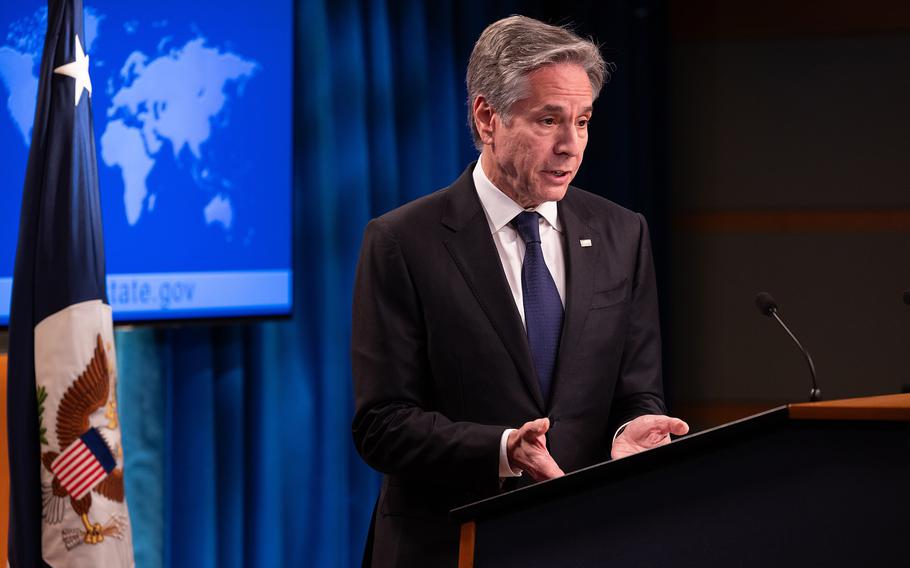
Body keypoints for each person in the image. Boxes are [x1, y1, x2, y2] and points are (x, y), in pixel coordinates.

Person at [351, 15, 688, 566]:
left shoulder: (622, 233)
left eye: (583, 121)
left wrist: (634, 429)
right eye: (548, 120)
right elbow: (382, 425)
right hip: (446, 545)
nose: (570, 145)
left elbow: (637, 389)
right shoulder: (402, 241)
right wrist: (503, 448)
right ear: (487, 117)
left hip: (583, 540)